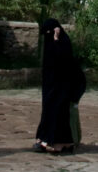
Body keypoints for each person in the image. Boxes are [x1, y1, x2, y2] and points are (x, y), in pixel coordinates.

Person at [34, 18, 86, 154]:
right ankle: (44, 140)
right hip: (50, 87)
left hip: (62, 87)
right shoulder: (49, 42)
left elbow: (64, 60)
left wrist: (57, 39)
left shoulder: (63, 41)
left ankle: (64, 144)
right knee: (48, 113)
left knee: (59, 116)